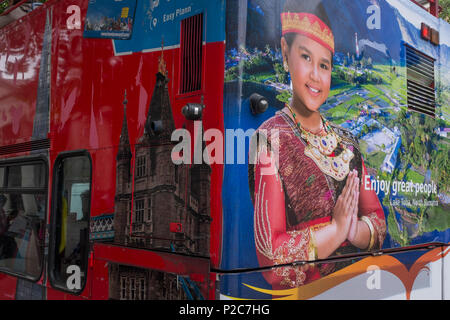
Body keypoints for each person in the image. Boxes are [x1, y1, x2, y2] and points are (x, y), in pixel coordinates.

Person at [248, 0, 386, 290]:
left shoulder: (349, 142)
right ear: (286, 54)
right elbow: (273, 261)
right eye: (305, 58)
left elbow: (377, 221)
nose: (315, 75)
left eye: (324, 65)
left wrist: (356, 229)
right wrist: (336, 231)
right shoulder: (269, 139)